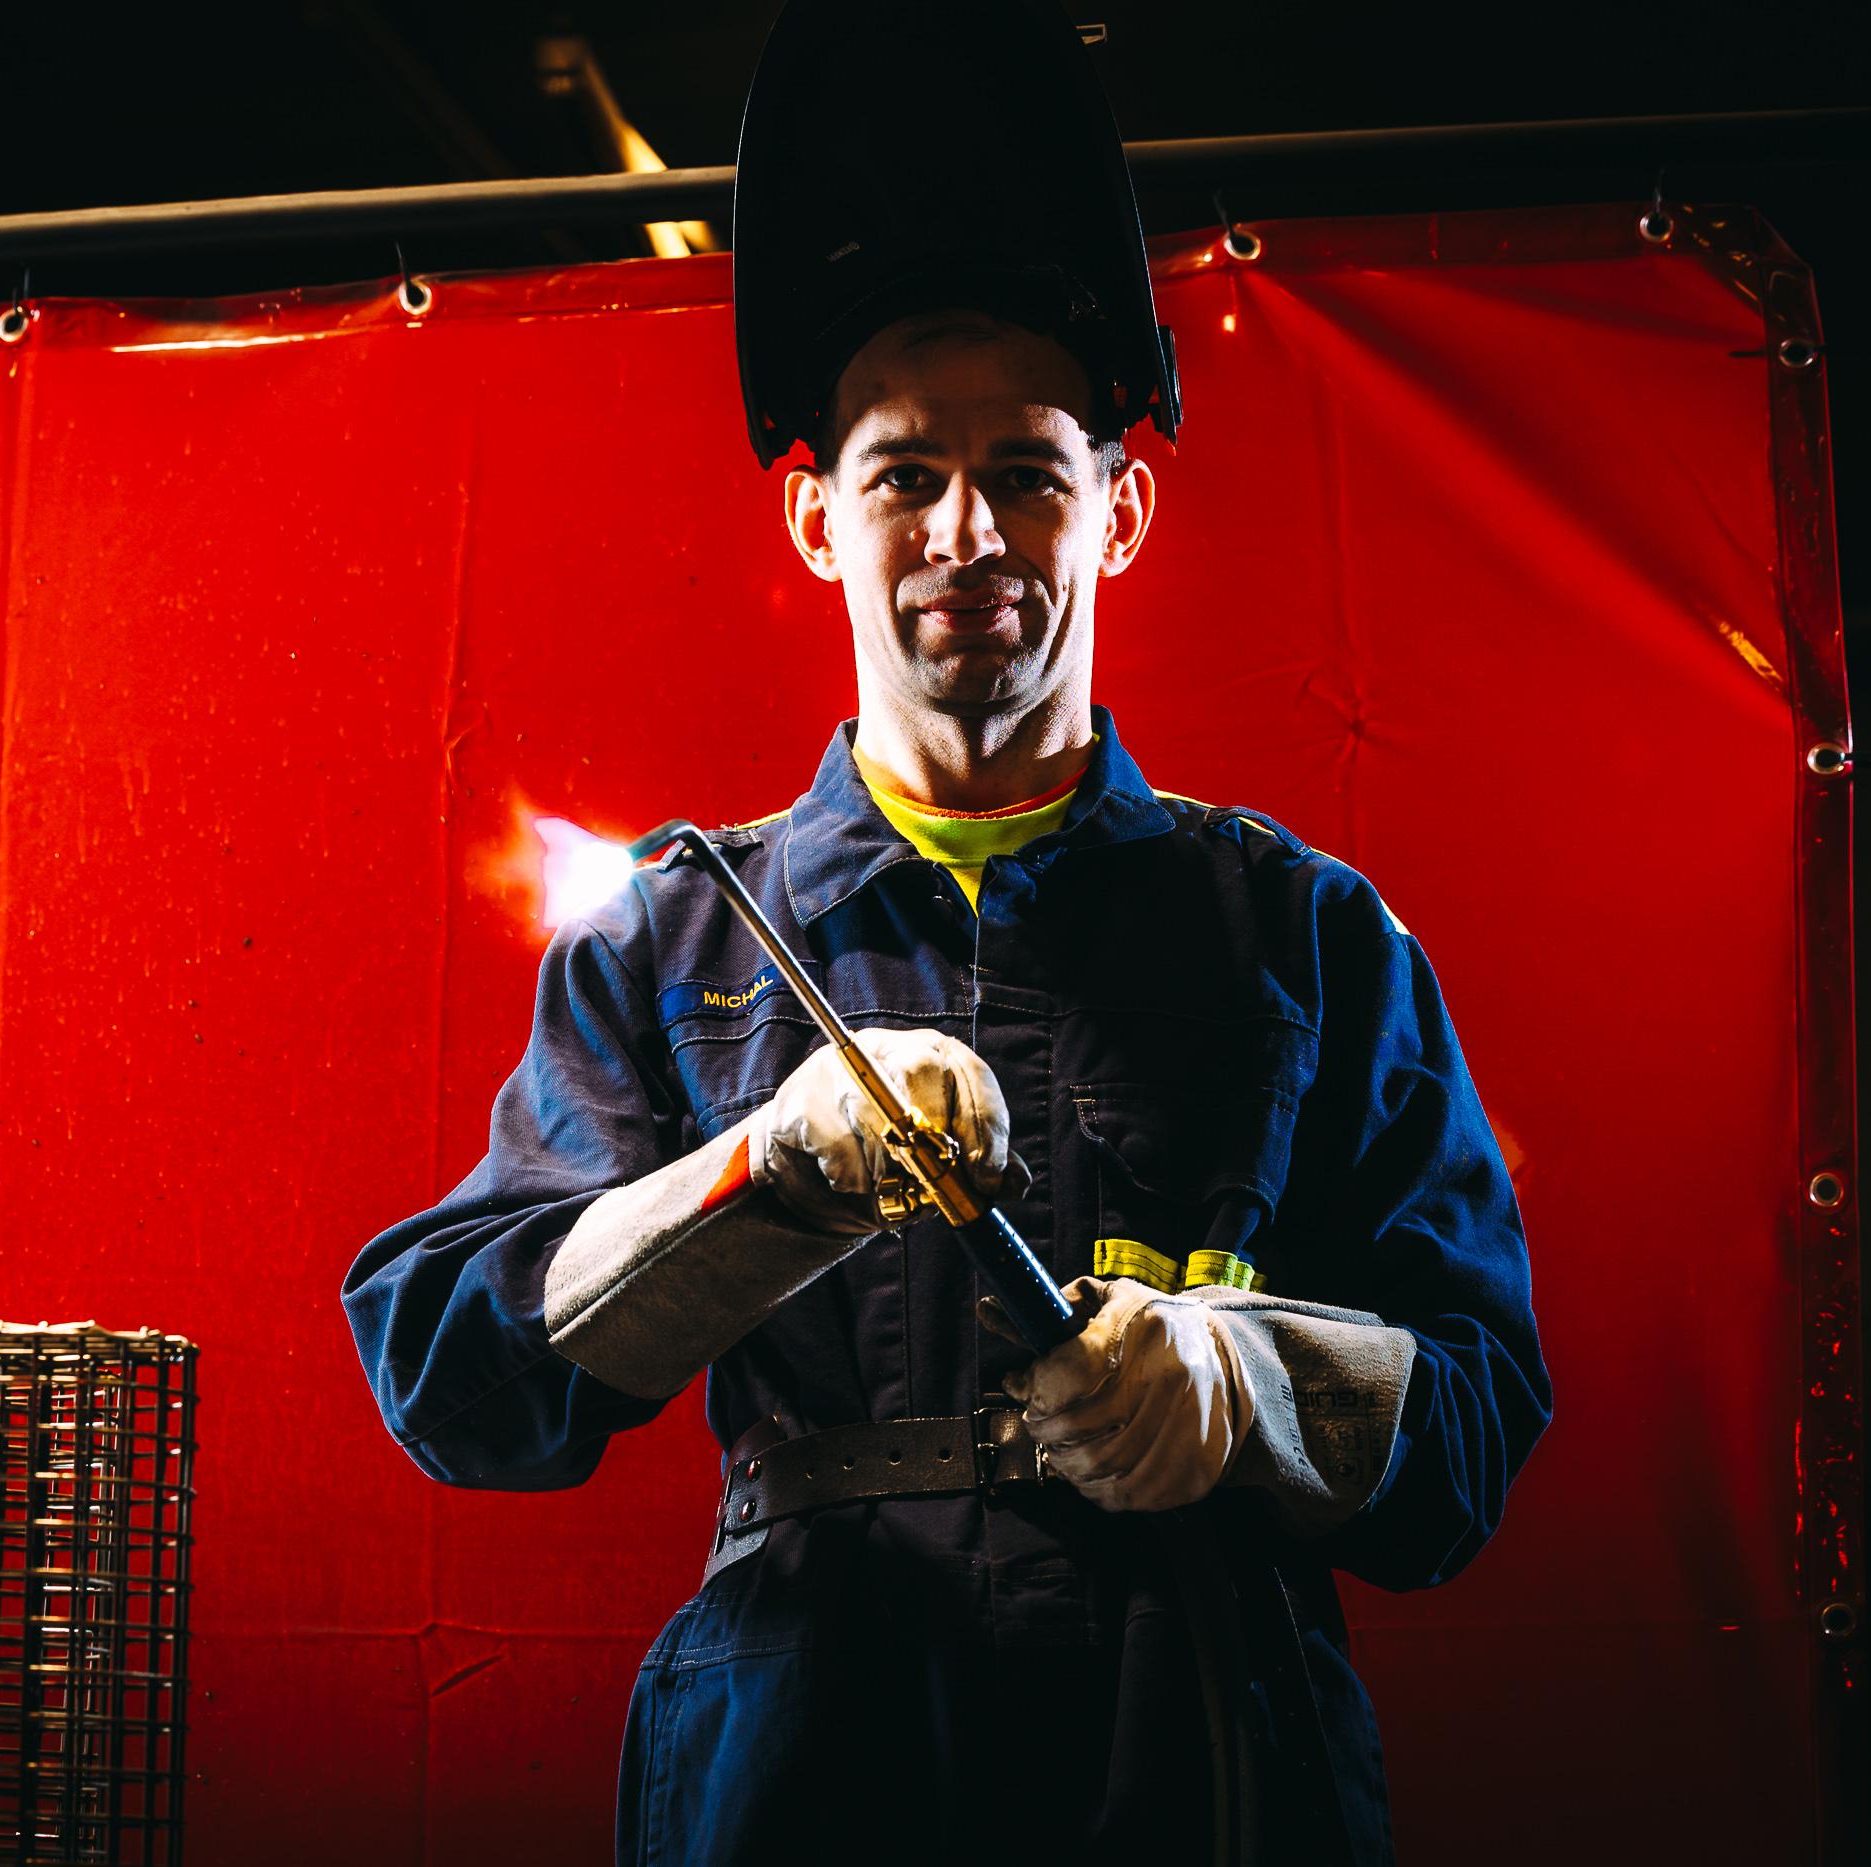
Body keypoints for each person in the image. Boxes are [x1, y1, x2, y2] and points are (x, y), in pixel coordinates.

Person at [343, 5, 1550, 1861]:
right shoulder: (677, 941)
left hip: (1207, 1771)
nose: (965, 531)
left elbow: (1474, 1426)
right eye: (904, 471)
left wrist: (1256, 1386)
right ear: (816, 522)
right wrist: (768, 1177)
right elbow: (448, 1370)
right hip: (811, 1769)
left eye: (1029, 472)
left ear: (1119, 514)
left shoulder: (1305, 936)